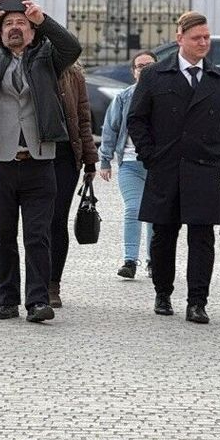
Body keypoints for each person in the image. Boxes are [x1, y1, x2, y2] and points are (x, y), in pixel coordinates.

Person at [0, 0, 82, 323]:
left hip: (39, 158)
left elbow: (73, 47)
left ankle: (37, 301)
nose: (14, 28)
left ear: (32, 31)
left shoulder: (48, 56)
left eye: (21, 23)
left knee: (39, 234)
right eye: (8, 24)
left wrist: (42, 17)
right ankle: (6, 300)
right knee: (1, 234)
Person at [127, 11, 220, 325]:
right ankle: (163, 293)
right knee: (163, 235)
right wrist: (150, 154)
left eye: (207, 37)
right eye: (196, 38)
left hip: (204, 170)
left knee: (202, 238)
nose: (203, 43)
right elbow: (137, 119)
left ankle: (197, 302)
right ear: (180, 39)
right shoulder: (154, 75)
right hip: (166, 167)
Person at [99, 51, 157, 280]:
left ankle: (155, 260)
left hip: (157, 165)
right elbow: (110, 128)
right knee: (133, 209)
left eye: (149, 65)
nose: (144, 69)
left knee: (155, 215)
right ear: (133, 72)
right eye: (139, 66)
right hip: (130, 163)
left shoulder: (168, 96)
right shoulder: (124, 97)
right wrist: (105, 159)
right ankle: (130, 260)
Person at [49, 61, 98, 308]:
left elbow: (83, 119)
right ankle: (34, 282)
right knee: (36, 223)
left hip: (65, 156)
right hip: (35, 154)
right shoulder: (26, 63)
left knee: (57, 220)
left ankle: (52, 284)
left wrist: (90, 160)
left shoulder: (72, 74)